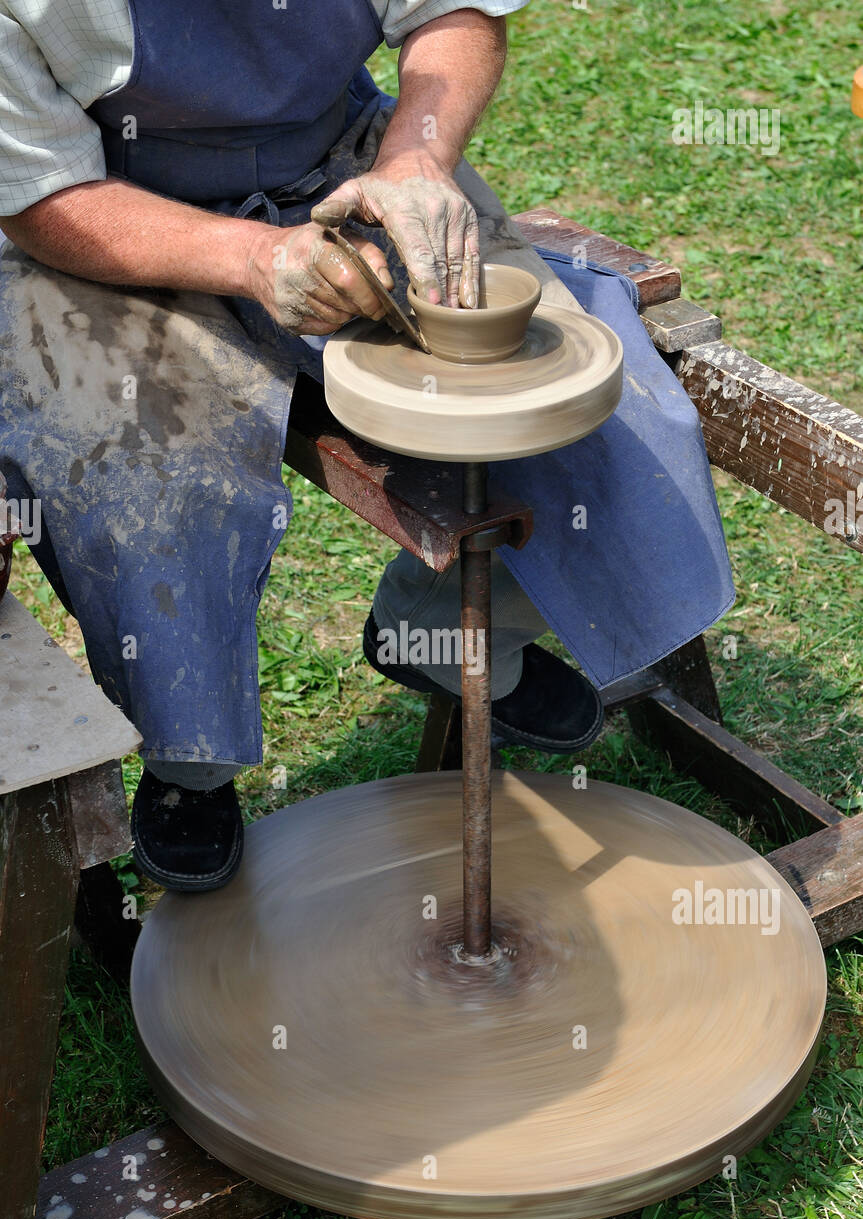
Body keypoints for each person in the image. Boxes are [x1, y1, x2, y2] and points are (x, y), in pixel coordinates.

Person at [0, 1, 734, 891]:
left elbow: (455, 13)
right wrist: (251, 259)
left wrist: (416, 158)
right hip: (110, 213)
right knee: (157, 491)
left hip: (338, 166)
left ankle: (440, 633)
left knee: (590, 415)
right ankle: (189, 765)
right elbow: (43, 195)